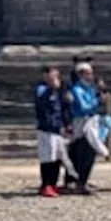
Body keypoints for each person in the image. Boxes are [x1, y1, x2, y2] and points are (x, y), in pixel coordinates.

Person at [34, 66, 74, 197]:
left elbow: (61, 108)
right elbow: (42, 103)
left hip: (57, 128)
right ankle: (46, 184)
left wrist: (66, 123)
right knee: (47, 157)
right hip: (46, 128)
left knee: (57, 157)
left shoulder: (58, 91)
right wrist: (51, 87)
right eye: (52, 76)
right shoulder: (42, 89)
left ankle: (53, 184)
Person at [63, 62, 102, 195]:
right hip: (81, 123)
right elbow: (83, 107)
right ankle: (76, 181)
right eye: (88, 74)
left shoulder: (90, 89)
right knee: (81, 152)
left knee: (90, 154)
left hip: (91, 122)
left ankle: (84, 180)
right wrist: (96, 102)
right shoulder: (77, 90)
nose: (91, 76)